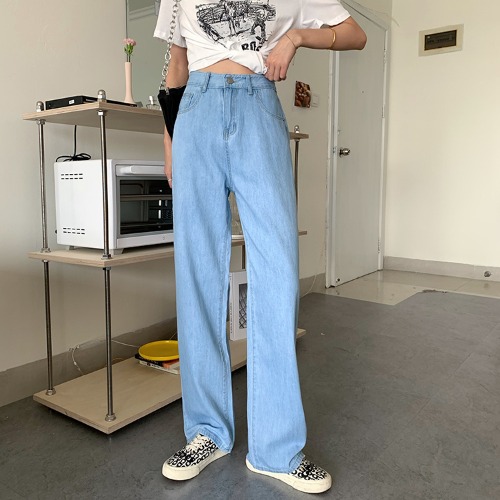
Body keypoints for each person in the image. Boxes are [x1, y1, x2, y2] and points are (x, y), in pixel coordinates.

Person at [154, 1, 366, 494]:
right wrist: (169, 140)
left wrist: (295, 38)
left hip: (258, 107)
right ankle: (207, 432)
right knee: (197, 273)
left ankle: (276, 448)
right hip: (196, 113)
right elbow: (177, 62)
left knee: (277, 273)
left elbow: (354, 33)